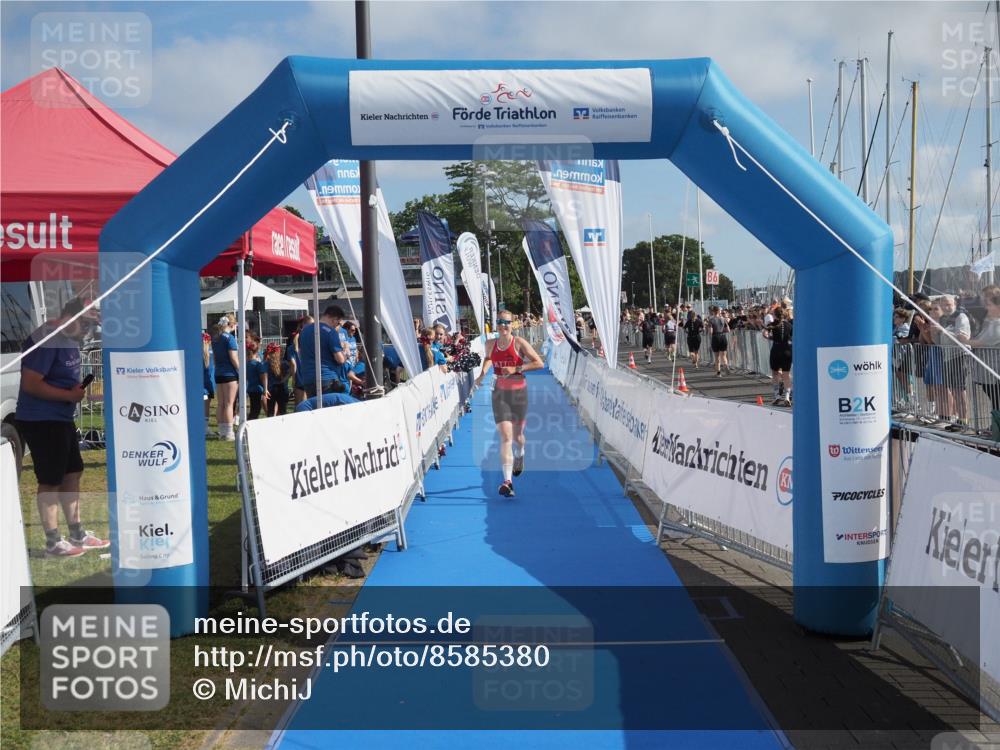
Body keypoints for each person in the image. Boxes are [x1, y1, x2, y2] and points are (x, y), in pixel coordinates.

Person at [16, 298, 110, 557]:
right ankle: (53, 541)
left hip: (60, 417)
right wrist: (68, 396)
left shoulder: (67, 339)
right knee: (50, 480)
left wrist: (73, 393)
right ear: (72, 316)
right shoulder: (49, 337)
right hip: (41, 419)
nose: (88, 332)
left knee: (73, 472)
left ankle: (76, 533)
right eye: (87, 325)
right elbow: (31, 383)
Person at [474, 311, 544, 497]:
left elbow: (539, 363)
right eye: (500, 322)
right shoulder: (490, 344)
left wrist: (516, 368)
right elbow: (488, 358)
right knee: (505, 436)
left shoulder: (519, 343)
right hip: (499, 394)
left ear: (512, 325)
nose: (503, 325)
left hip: (519, 394)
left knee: (518, 437)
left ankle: (520, 454)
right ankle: (508, 482)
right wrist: (482, 374)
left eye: (507, 322)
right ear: (496, 324)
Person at [298, 305, 348, 396]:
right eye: (338, 323)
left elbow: (300, 353)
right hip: (327, 378)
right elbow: (340, 359)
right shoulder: (330, 332)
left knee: (315, 408)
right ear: (334, 319)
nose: (337, 326)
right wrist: (345, 353)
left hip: (308, 378)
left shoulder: (304, 331)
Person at [212, 315, 240, 440]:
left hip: (218, 373)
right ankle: (229, 433)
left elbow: (216, 358)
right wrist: (241, 370)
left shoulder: (216, 338)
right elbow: (233, 358)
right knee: (229, 404)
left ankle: (222, 431)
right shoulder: (230, 338)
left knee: (221, 404)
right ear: (231, 324)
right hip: (229, 374)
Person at [763, 306, 793, 406]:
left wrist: (771, 337)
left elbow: (765, 334)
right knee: (786, 375)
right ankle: (787, 397)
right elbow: (793, 337)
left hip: (776, 349)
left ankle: (777, 396)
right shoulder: (789, 324)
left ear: (775, 315)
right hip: (787, 350)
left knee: (775, 373)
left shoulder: (772, 324)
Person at [265, 342, 292, 417]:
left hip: (270, 390)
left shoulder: (266, 364)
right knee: (283, 411)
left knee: (270, 412)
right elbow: (291, 372)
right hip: (282, 389)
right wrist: (283, 380)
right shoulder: (284, 363)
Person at [245, 335, 268, 420]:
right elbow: (264, 377)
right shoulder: (258, 364)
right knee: (255, 410)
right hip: (258, 389)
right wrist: (265, 389)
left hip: (251, 389)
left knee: (254, 409)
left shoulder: (247, 364)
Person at [707, 305, 730, 376]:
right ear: (719, 311)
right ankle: (726, 365)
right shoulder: (723, 319)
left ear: (713, 311)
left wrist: (708, 331)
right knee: (724, 355)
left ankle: (718, 373)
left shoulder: (711, 320)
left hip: (715, 337)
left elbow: (710, 332)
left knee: (717, 357)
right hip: (723, 336)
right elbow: (728, 330)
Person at [202, 331, 215, 436]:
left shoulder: (198, 353)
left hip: (200, 385)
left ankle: (202, 426)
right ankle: (205, 427)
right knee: (206, 406)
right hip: (208, 385)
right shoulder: (211, 353)